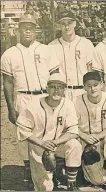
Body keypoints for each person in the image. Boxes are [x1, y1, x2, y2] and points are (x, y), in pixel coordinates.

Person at [1, 13, 59, 185]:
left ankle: (50, 170)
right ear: (18, 30)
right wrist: (11, 108)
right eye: (24, 27)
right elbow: (8, 82)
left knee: (47, 134)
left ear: (36, 30)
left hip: (43, 96)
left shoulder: (46, 50)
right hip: (23, 97)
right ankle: (28, 172)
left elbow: (55, 75)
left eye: (31, 27)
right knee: (24, 137)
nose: (27, 30)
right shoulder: (9, 53)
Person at [16, 73, 82, 191]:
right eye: (53, 87)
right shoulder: (33, 105)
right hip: (38, 146)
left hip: (59, 144)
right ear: (47, 88)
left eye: (60, 87)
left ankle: (71, 184)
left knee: (75, 145)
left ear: (64, 90)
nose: (56, 91)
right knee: (45, 188)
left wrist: (56, 142)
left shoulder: (68, 104)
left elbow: (73, 131)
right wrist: (41, 143)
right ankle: (43, 174)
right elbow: (23, 130)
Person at [75, 72, 106, 190]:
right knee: (97, 181)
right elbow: (71, 126)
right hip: (86, 142)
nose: (92, 88)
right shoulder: (77, 101)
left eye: (95, 85)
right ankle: (84, 168)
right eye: (89, 85)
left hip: (103, 139)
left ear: (101, 85)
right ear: (84, 87)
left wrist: (98, 136)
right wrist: (84, 136)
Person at [49, 10, 95, 102]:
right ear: (59, 25)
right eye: (63, 23)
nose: (67, 27)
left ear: (75, 24)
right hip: (63, 92)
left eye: (69, 23)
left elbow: (91, 70)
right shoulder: (51, 46)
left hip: (82, 90)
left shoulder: (86, 43)